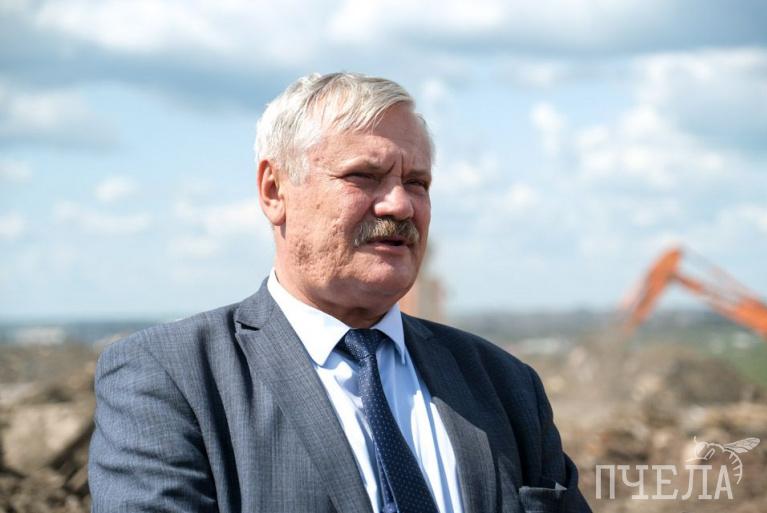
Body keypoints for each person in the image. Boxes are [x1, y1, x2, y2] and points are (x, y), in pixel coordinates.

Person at [88, 72, 592, 513]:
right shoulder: (172, 379)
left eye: (417, 182)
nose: (400, 205)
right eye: (364, 176)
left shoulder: (506, 387)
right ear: (274, 190)